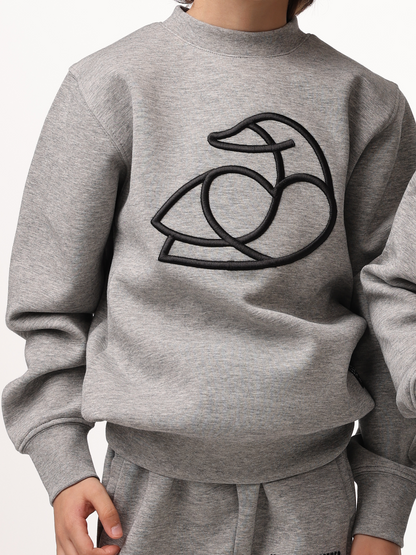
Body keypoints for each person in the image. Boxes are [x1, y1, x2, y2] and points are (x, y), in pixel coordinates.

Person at [2, 0, 416, 554]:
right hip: (142, 503)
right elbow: (49, 304)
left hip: (316, 502)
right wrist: (64, 464)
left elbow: (394, 311)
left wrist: (385, 508)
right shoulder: (108, 85)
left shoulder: (370, 104)